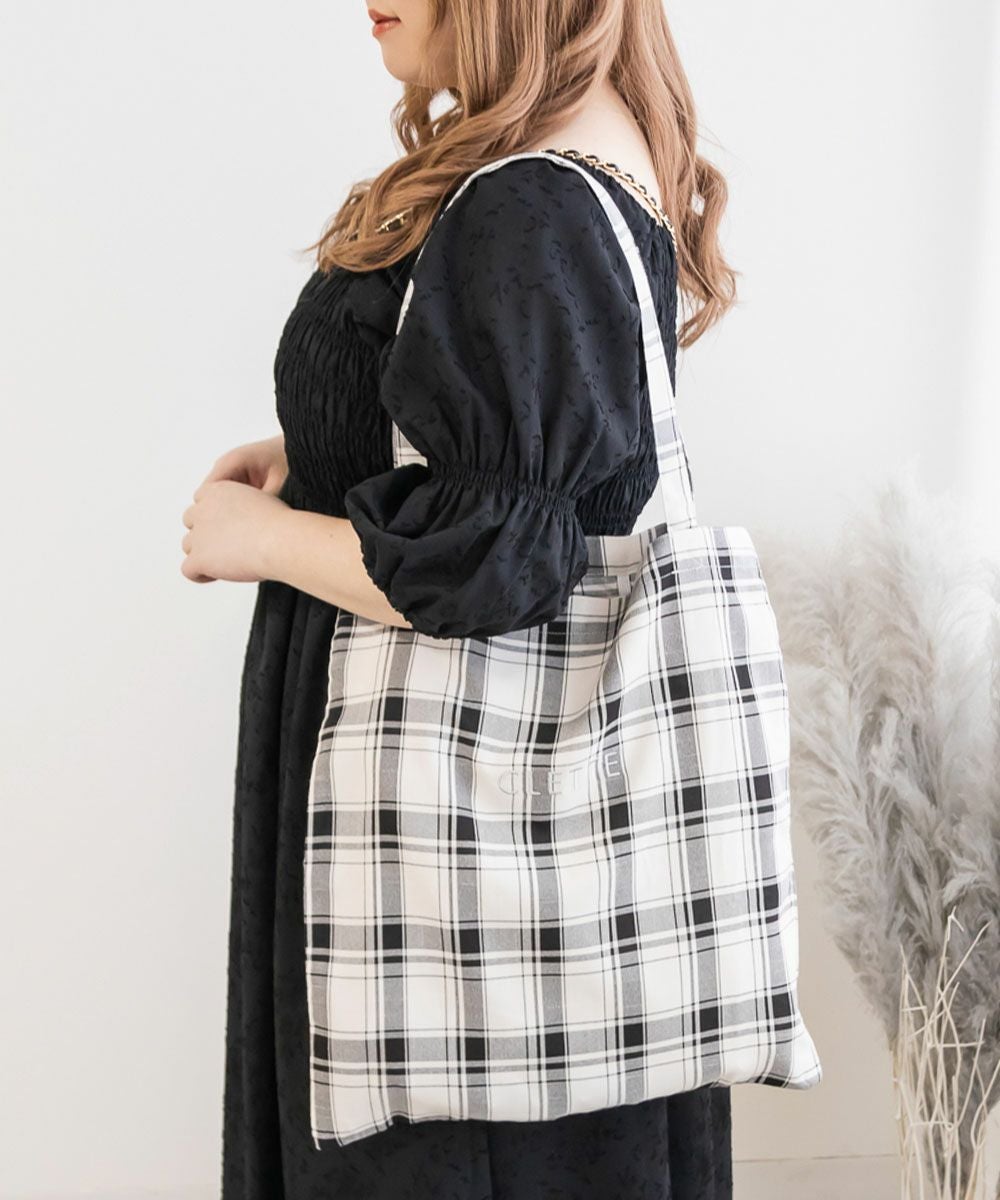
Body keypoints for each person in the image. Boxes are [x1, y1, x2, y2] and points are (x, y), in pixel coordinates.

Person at [180, 1, 738, 1196]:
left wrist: (261, 538)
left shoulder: (527, 200)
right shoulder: (594, 158)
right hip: (497, 876)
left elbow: (495, 560)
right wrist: (320, 456)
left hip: (443, 873)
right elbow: (555, 472)